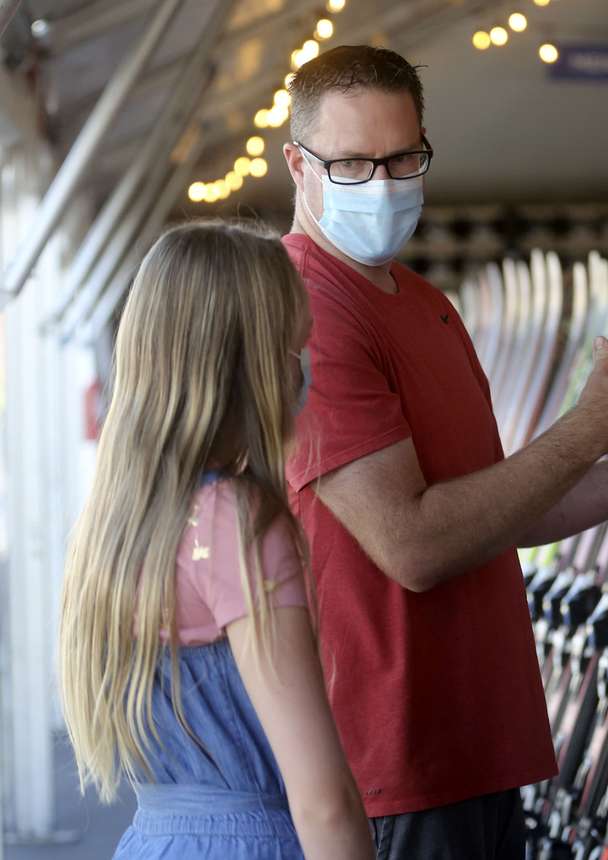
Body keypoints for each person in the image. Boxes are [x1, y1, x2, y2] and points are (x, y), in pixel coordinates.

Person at [280, 45, 608, 858]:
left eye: (403, 157)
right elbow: (414, 544)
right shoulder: (306, 312)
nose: (382, 184)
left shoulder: (424, 305)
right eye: (351, 164)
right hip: (390, 766)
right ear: (297, 167)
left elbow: (496, 508)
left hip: (475, 749)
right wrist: (584, 432)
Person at [58, 221, 374, 859]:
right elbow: (322, 800)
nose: (303, 369)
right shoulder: (235, 522)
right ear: (247, 362)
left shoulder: (122, 522)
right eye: (292, 345)